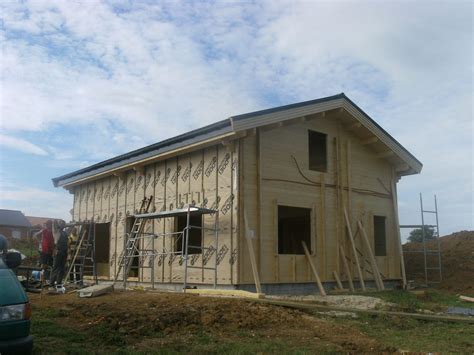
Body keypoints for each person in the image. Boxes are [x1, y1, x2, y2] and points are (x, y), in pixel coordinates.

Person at [50, 220, 68, 287]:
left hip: (64, 252)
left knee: (62, 268)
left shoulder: (65, 233)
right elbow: (53, 222)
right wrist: (58, 222)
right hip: (58, 251)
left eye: (64, 224)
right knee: (55, 268)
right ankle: (51, 284)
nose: (63, 225)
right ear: (58, 225)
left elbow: (66, 242)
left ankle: (59, 283)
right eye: (61, 223)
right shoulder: (56, 231)